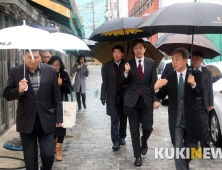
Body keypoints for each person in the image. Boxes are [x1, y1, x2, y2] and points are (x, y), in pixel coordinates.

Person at [3, 49, 63, 170]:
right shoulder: (16, 71)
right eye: (29, 58)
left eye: (36, 57)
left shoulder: (50, 70)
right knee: (30, 158)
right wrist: (18, 90)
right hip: (26, 120)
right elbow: (7, 94)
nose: (33, 60)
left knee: (47, 154)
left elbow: (56, 96)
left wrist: (59, 117)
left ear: (40, 56)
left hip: (46, 119)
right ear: (23, 56)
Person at [154, 48, 205, 170]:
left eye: (177, 59)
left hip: (192, 118)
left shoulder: (195, 74)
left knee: (193, 150)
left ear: (185, 60)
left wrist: (194, 84)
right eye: (172, 59)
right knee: (177, 148)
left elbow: (201, 93)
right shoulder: (169, 77)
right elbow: (160, 95)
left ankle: (184, 163)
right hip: (176, 120)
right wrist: (156, 88)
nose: (174, 62)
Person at [122, 39, 160, 166]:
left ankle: (144, 141)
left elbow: (154, 83)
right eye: (136, 48)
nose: (138, 50)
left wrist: (156, 99)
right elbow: (123, 83)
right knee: (134, 130)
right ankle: (137, 156)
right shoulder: (128, 63)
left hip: (147, 100)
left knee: (148, 127)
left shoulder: (151, 63)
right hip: (132, 101)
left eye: (140, 47)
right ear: (133, 50)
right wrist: (126, 73)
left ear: (144, 49)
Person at [101, 45, 127, 151]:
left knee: (124, 118)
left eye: (119, 52)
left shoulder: (127, 64)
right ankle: (115, 141)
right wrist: (103, 95)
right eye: (114, 52)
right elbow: (105, 82)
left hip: (125, 97)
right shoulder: (107, 66)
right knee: (114, 119)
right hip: (113, 97)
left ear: (122, 54)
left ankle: (122, 137)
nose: (116, 54)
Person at [48, 56, 73, 161]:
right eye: (53, 65)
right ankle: (54, 147)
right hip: (50, 106)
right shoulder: (47, 75)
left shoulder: (64, 75)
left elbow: (70, 89)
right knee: (52, 128)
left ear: (61, 64)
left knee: (62, 128)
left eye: (57, 64)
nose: (55, 67)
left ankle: (59, 152)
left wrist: (62, 83)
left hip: (63, 106)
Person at [192, 51, 214, 158]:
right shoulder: (188, 71)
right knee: (192, 128)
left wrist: (211, 103)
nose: (194, 61)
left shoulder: (207, 72)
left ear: (201, 60)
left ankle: (206, 150)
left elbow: (210, 88)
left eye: (197, 59)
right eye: (193, 58)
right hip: (192, 104)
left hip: (203, 103)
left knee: (205, 128)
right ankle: (192, 150)